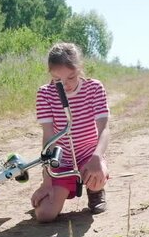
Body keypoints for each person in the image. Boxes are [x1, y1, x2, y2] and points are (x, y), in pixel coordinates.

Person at [31, 42, 110, 222]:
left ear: (80, 69)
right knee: (44, 215)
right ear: (50, 73)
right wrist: (47, 180)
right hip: (63, 159)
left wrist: (97, 157)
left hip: (88, 156)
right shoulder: (45, 94)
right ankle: (57, 189)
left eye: (71, 77)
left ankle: (95, 192)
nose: (65, 85)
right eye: (58, 79)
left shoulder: (94, 88)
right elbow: (48, 137)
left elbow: (104, 128)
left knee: (96, 176)